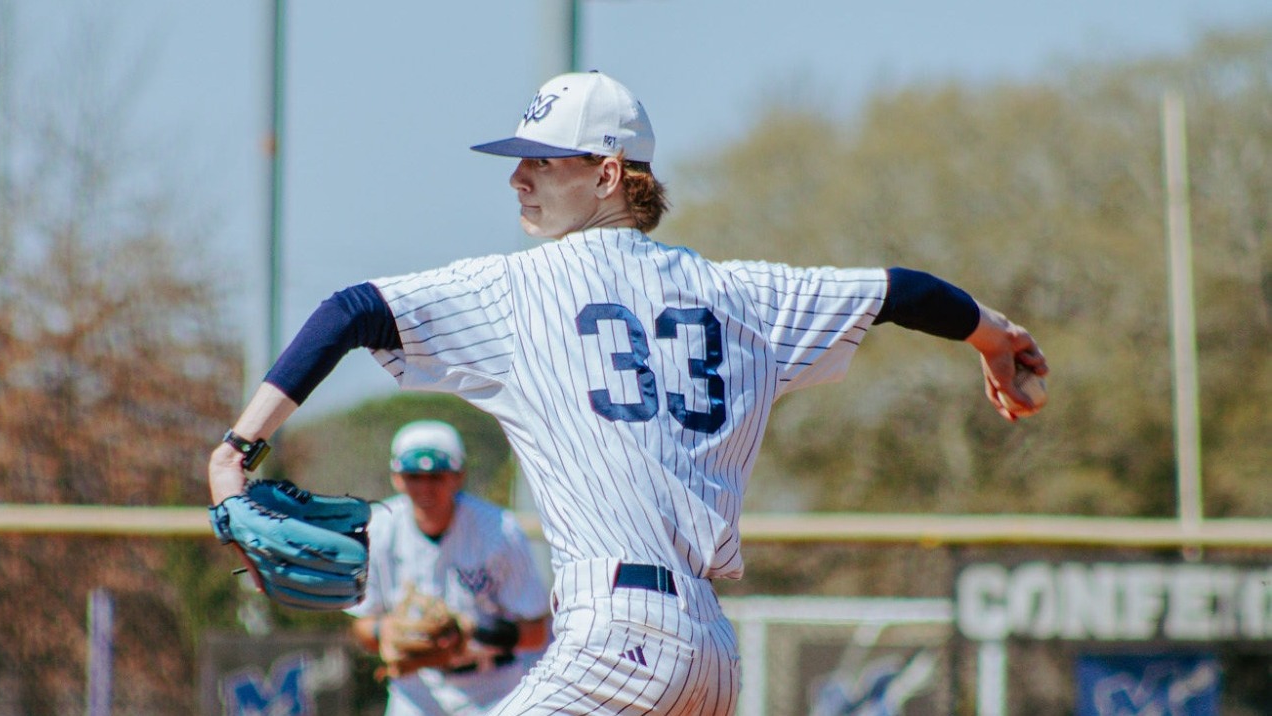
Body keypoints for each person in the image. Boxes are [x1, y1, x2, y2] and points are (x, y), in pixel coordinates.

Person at [209, 70, 1049, 715]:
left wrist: (237, 449)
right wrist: (992, 335)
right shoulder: (745, 295)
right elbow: (895, 290)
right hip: (710, 656)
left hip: (617, 638)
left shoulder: (520, 290)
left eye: (542, 160)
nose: (519, 179)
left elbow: (353, 309)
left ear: (609, 173)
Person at [345, 419, 550, 715]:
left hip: (493, 686)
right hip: (417, 690)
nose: (424, 487)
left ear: (458, 476)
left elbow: (536, 632)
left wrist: (471, 634)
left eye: (436, 476)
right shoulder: (377, 530)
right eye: (414, 476)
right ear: (397, 477)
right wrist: (385, 630)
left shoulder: (499, 530)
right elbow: (361, 626)